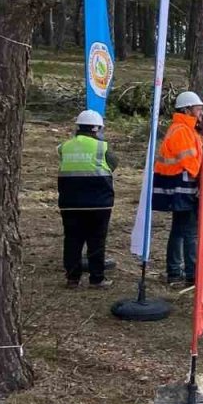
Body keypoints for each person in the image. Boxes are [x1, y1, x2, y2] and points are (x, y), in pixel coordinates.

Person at [58, 110, 117, 289]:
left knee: (72, 240)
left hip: (70, 204)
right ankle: (96, 279)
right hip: (99, 204)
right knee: (96, 241)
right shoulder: (103, 147)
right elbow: (113, 164)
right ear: (96, 128)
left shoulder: (64, 147)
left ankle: (72, 279)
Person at [153, 91, 203, 289]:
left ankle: (175, 271)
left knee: (179, 230)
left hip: (178, 187)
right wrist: (202, 181)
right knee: (189, 232)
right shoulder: (183, 131)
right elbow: (191, 163)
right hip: (183, 188)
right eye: (198, 108)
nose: (201, 112)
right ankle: (190, 274)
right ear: (187, 110)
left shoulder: (183, 129)